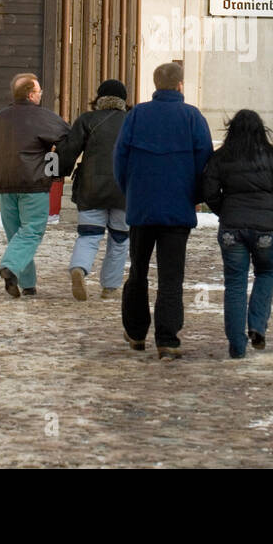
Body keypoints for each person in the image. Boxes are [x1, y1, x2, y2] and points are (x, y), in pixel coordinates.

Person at [113, 62, 212, 360]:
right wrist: (193, 196)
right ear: (180, 85)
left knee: (138, 271)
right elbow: (205, 162)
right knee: (171, 276)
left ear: (155, 85)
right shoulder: (193, 117)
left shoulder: (137, 115)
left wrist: (131, 192)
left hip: (141, 208)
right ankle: (167, 338)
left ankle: (135, 331)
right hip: (177, 210)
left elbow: (120, 159)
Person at [201, 109, 273, 359]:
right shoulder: (272, 155)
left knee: (235, 283)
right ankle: (256, 325)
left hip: (232, 228)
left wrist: (225, 212)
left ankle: (236, 345)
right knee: (265, 273)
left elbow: (209, 191)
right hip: (265, 227)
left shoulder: (220, 157)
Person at [0, 73, 70, 298]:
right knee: (31, 232)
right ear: (31, 95)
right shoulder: (43, 118)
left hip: (5, 186)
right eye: (39, 92)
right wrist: (56, 169)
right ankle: (10, 266)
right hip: (33, 185)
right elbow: (68, 138)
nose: (41, 95)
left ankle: (27, 283)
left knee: (16, 235)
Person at [56, 79, 130, 301]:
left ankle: (79, 268)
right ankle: (109, 287)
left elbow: (68, 150)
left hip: (91, 189)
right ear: (123, 101)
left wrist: (57, 172)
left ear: (99, 99)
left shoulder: (87, 120)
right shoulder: (132, 121)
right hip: (124, 190)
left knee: (89, 235)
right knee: (119, 240)